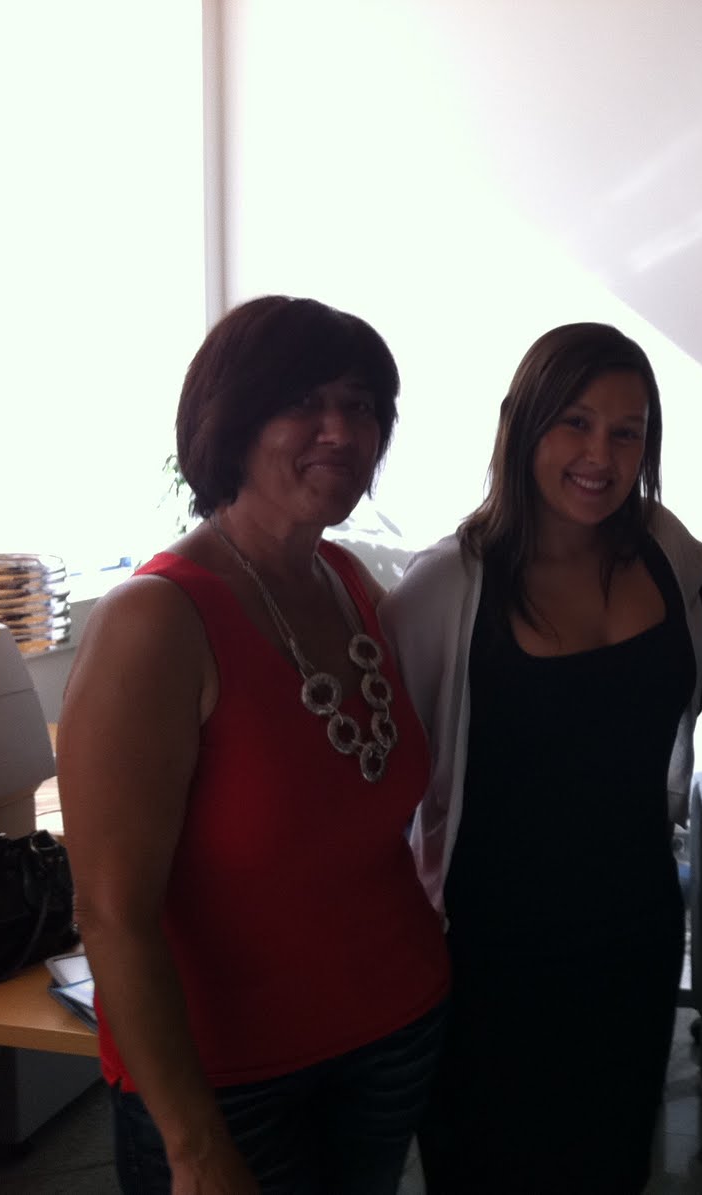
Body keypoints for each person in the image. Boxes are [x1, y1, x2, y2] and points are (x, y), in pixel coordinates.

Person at [59, 296, 450, 1194]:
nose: (340, 429)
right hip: (230, 1082)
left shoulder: (347, 579)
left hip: (392, 1033)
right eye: (304, 401)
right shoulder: (155, 621)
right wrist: (193, 1144)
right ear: (231, 420)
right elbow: (112, 912)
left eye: (361, 405)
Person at [380, 322, 702, 1193]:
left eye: (628, 431)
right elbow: (384, 788)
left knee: (612, 1162)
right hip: (493, 955)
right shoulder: (446, 587)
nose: (601, 454)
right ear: (523, 424)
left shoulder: (669, 556)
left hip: (636, 932)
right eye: (575, 422)